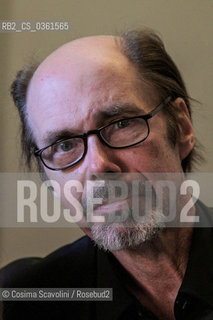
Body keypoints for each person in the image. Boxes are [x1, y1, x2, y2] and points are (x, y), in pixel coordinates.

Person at [0, 29, 213, 320]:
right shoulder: (28, 304)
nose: (98, 165)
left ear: (182, 127)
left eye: (122, 123)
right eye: (64, 145)